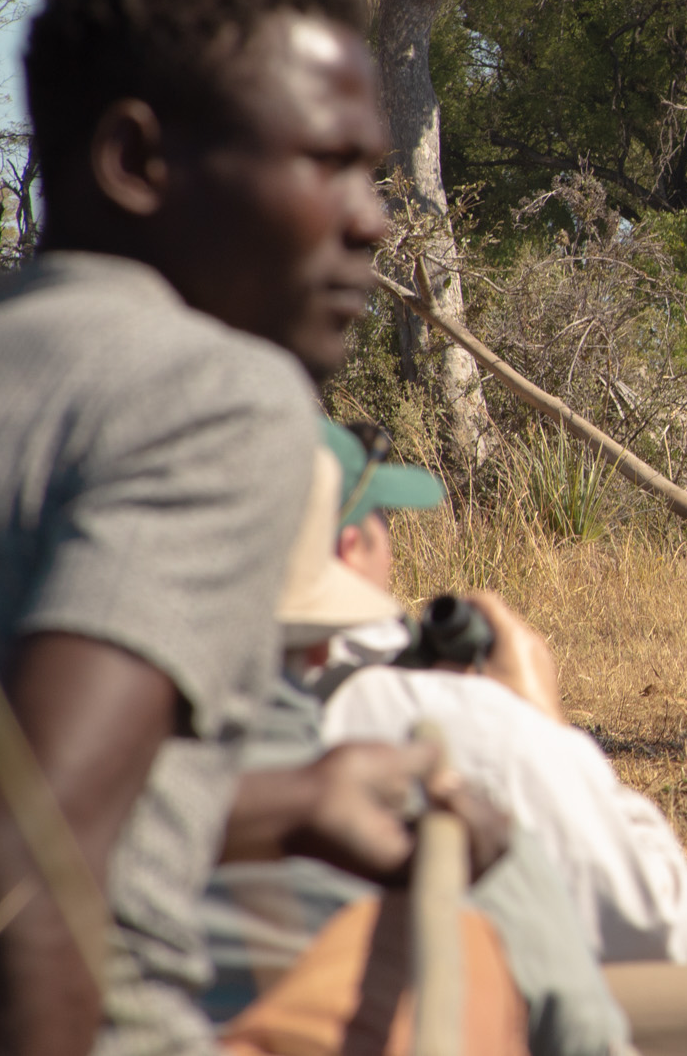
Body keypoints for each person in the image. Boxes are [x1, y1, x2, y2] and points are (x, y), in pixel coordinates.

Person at [0, 0, 499, 1056]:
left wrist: (296, 804)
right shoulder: (216, 394)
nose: (371, 219)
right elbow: (15, 864)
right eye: (327, 162)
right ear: (137, 162)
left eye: (377, 175)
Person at [315, 423, 687, 1056]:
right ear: (351, 546)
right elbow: (668, 934)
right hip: (407, 1021)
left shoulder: (142, 718)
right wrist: (547, 726)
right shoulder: (468, 723)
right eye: (384, 521)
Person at [202, 421, 630, 1056]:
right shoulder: (445, 822)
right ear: (321, 629)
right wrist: (542, 723)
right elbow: (616, 992)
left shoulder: (43, 812)